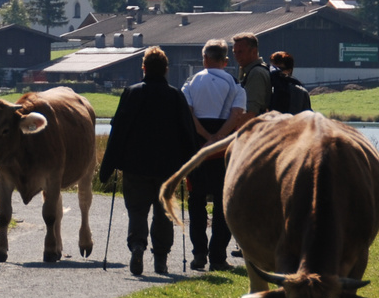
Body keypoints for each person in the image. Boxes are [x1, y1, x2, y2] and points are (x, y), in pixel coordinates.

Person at [98, 46, 202, 275]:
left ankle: (137, 246)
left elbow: (119, 131)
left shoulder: (132, 93)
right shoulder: (176, 96)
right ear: (166, 70)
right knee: (163, 211)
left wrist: (107, 168)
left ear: (143, 68)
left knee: (137, 210)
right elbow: (187, 134)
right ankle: (161, 258)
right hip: (168, 167)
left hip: (135, 165)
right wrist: (192, 170)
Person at [181, 39, 246, 270]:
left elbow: (188, 115)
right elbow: (237, 115)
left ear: (204, 58)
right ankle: (218, 256)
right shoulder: (236, 86)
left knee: (196, 202)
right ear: (225, 61)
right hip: (224, 153)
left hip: (197, 152)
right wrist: (218, 137)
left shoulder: (190, 84)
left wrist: (205, 136)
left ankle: (199, 253)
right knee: (222, 205)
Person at [233, 33, 272, 118]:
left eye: (240, 52)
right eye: (235, 52)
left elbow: (251, 113)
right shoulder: (257, 70)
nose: (236, 56)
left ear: (254, 51)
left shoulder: (256, 73)